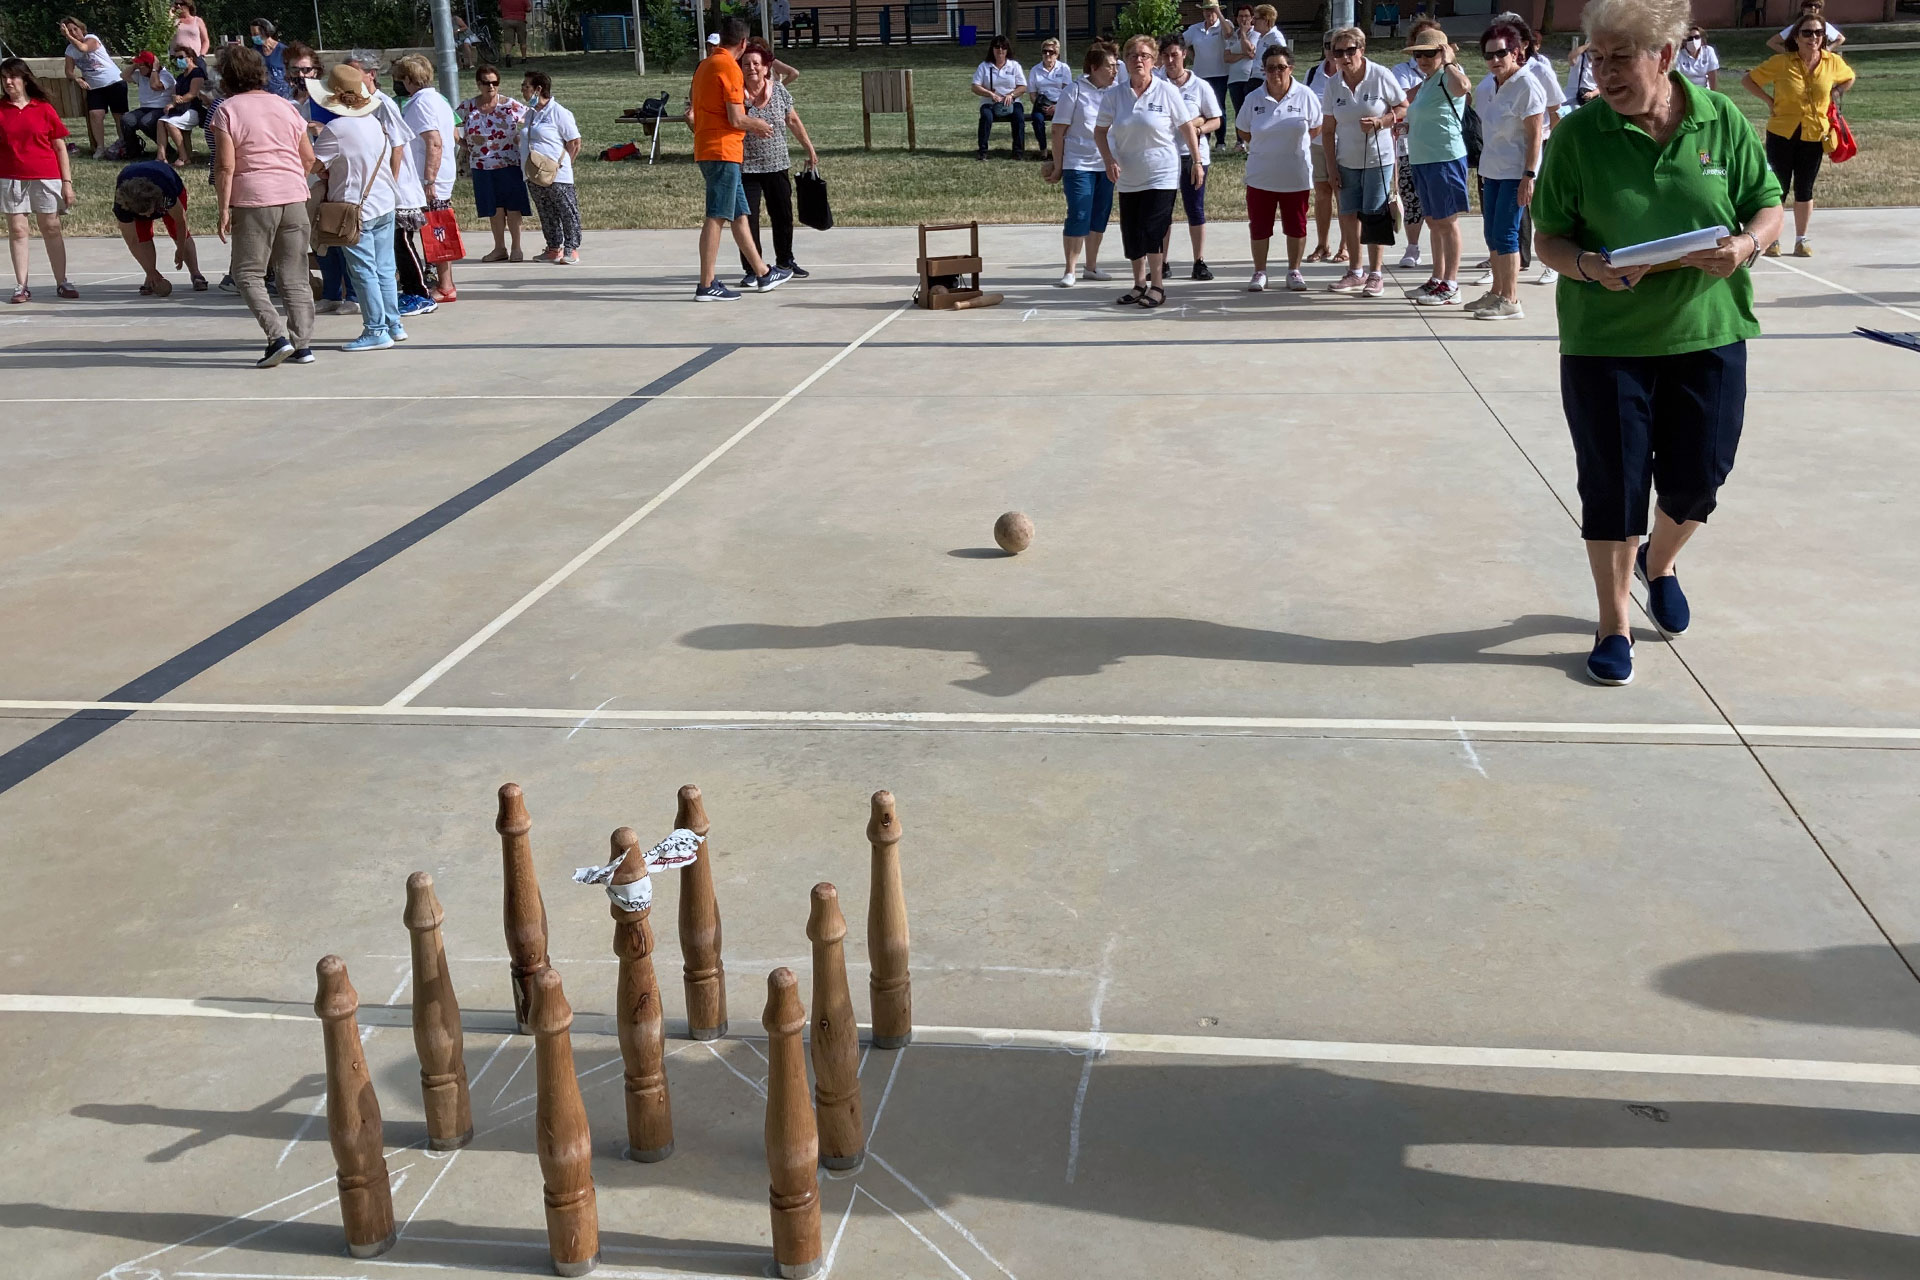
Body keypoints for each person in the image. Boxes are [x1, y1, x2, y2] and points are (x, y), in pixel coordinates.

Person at [1532, 0, 1782, 686]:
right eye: (1596, 58)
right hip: (1605, 339)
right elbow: (1547, 236)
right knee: (1612, 485)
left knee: (1701, 475)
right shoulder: (1580, 136)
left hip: (1709, 331)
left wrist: (1746, 244)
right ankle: (1613, 622)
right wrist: (1588, 267)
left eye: (1621, 58)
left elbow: (1767, 202)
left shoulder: (1718, 118)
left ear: (1666, 57)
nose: (1604, 73)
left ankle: (1660, 562)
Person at [211, 44, 316, 365]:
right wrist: (290, 179)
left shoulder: (226, 110)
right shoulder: (286, 106)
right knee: (295, 274)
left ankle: (276, 336)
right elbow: (308, 158)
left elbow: (226, 166)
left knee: (247, 273)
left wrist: (223, 208)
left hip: (254, 199)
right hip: (294, 196)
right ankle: (302, 345)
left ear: (226, 77)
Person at [1094, 33, 1201, 308]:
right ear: (1125, 61)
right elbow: (1100, 131)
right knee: (1132, 231)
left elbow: (1187, 127)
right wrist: (1108, 160)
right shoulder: (1115, 95)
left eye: (1144, 56)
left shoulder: (1167, 91)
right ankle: (1139, 284)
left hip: (1161, 173)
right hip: (1128, 175)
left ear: (1154, 61)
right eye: (1132, 55)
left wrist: (1197, 161)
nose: (1138, 60)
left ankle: (1157, 286)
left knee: (1154, 229)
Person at [690, 16, 789, 300]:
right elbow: (736, 118)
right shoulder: (730, 70)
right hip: (722, 150)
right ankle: (706, 284)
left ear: (721, 38)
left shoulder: (705, 66)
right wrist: (757, 124)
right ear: (744, 43)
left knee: (739, 214)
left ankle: (762, 272)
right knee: (717, 215)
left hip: (709, 147)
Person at [310, 63, 402, 351]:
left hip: (353, 209)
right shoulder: (374, 123)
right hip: (384, 202)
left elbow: (313, 165)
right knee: (385, 267)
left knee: (363, 271)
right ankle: (393, 323)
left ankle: (376, 329)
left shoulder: (335, 130)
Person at [1744, 17, 1852, 259]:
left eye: (1818, 33)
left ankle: (1801, 240)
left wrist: (1836, 92)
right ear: (1796, 37)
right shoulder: (1781, 62)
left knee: (1805, 187)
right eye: (1807, 33)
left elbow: (1849, 77)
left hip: (1814, 132)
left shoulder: (1832, 62)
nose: (1813, 38)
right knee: (1777, 188)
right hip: (1782, 130)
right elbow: (1748, 80)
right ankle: (1773, 239)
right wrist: (1769, 102)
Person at [1319, 26, 1405, 297]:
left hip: (1379, 160)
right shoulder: (1333, 84)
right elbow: (1328, 130)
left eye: (1350, 50)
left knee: (1374, 214)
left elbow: (1403, 107)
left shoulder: (1380, 75)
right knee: (1347, 214)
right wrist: (1331, 169)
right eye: (1338, 52)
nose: (1344, 57)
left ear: (1362, 50)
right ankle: (1355, 271)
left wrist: (1381, 121)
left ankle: (1376, 274)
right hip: (1346, 160)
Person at [1466, 20, 1543, 320]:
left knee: (1507, 235)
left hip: (1515, 173)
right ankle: (1497, 292)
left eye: (1501, 54)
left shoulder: (1526, 84)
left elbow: (1535, 134)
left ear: (1516, 53)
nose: (1495, 60)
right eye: (1489, 55)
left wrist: (1529, 175)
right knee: (1492, 234)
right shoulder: (1493, 85)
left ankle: (1511, 299)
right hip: (1492, 171)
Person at [1235, 44, 1321, 292]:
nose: (1276, 73)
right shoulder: (1253, 98)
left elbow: (1315, 127)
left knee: (1297, 225)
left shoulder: (1305, 95)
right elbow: (1243, 130)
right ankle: (1259, 272)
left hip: (1296, 175)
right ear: (1264, 70)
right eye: (1270, 68)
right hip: (1261, 176)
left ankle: (1294, 271)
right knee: (1260, 227)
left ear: (1291, 68)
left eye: (1281, 67)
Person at [1400, 27, 1470, 305]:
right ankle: (1438, 279)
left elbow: (1464, 87)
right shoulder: (1428, 81)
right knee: (1433, 221)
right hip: (1422, 158)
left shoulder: (1447, 76)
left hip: (1445, 157)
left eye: (1430, 53)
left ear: (1443, 52)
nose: (1423, 59)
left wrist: (1450, 61)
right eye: (1419, 54)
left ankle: (1452, 283)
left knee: (1447, 222)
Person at [1, 58, 78, 304]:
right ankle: (21, 285)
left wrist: (67, 182)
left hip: (46, 176)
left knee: (51, 228)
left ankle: (62, 281)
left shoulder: (43, 108)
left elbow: (60, 147)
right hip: (10, 178)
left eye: (12, 77)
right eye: (4, 78)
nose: (8, 82)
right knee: (18, 230)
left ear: (24, 79)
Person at [738, 45, 817, 284]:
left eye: (756, 64)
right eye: (746, 64)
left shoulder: (779, 90)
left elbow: (792, 119)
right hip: (745, 166)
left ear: (766, 68)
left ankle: (785, 261)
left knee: (782, 214)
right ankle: (753, 268)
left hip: (777, 163)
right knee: (747, 219)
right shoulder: (735, 93)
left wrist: (809, 148)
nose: (752, 68)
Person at [1044, 41, 1119, 286]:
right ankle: (1070, 270)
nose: (1114, 71)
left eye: (1116, 66)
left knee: (1100, 215)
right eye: (1109, 66)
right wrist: (1058, 166)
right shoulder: (1074, 91)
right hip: (1078, 164)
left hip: (1106, 164)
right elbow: (1057, 131)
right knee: (1079, 213)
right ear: (1094, 67)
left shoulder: (1117, 92)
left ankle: (1092, 267)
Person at [394, 55, 460, 302]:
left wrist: (429, 180)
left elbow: (434, 141)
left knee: (436, 231)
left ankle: (445, 285)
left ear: (410, 79)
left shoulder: (421, 104)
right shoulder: (436, 99)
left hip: (430, 181)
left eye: (401, 79)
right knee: (435, 229)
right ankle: (444, 283)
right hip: (434, 177)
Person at [1157, 33, 1221, 280]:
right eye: (1166, 56)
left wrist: (1198, 128)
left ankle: (1199, 261)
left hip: (1194, 156)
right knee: (1164, 210)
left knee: (1195, 209)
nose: (1171, 60)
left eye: (1175, 54)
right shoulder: (1157, 84)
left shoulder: (1200, 85)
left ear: (1185, 54)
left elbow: (1215, 119)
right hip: (1165, 156)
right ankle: (1161, 261)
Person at [1387, 17, 1444, 272]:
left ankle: (1441, 257)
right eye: (1420, 47)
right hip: (1409, 145)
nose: (1424, 54)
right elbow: (1401, 104)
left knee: (1438, 204)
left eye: (1431, 48)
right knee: (1411, 198)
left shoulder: (1452, 72)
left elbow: (1464, 95)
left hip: (1440, 147)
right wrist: (1430, 82)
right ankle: (1412, 247)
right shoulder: (1400, 71)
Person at [459, 65, 528, 262]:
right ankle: (499, 248)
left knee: (513, 207)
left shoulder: (509, 105)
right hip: (482, 166)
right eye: (486, 83)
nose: (491, 86)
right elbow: (449, 124)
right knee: (494, 209)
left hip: (510, 163)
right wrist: (464, 144)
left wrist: (525, 143)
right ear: (478, 84)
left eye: (494, 82)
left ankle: (516, 247)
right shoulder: (468, 107)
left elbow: (532, 121)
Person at [519, 69, 582, 265]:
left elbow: (574, 142)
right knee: (546, 211)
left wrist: (563, 165)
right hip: (534, 173)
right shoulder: (530, 114)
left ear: (539, 89)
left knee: (566, 210)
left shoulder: (558, 112)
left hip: (557, 174)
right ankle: (553, 248)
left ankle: (571, 249)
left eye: (526, 86)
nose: (522, 90)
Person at [113, 159, 205, 293]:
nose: (148, 216)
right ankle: (151, 277)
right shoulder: (122, 207)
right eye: (143, 214)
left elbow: (181, 222)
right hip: (134, 195)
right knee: (142, 234)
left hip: (165, 180)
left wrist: (180, 249)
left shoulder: (166, 194)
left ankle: (196, 274)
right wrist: (150, 271)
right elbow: (133, 241)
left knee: (173, 228)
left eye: (149, 212)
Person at [1301, 33, 1347, 264]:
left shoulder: (1350, 74)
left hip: (1345, 144)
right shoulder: (1312, 74)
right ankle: (1322, 244)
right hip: (1318, 144)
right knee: (1321, 195)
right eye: (1328, 46)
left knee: (1344, 196)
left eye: (1336, 47)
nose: (1332, 51)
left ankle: (1345, 246)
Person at [61, 17, 126, 160]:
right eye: (69, 30)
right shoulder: (70, 50)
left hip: (114, 81)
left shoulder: (91, 38)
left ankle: (123, 143)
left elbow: (83, 48)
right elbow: (68, 71)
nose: (73, 32)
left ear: (82, 29)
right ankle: (100, 147)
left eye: (75, 29)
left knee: (119, 115)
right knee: (96, 115)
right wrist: (76, 78)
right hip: (94, 86)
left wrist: (68, 36)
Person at [971, 35, 1028, 161]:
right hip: (989, 102)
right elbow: (975, 86)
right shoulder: (984, 66)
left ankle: (1018, 152)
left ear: (1007, 50)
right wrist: (990, 94)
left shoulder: (1014, 66)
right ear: (992, 49)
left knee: (1019, 118)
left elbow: (1023, 86)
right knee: (986, 117)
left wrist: (1011, 95)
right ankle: (982, 151)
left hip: (1012, 102)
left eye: (1003, 47)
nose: (1000, 50)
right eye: (997, 47)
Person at [157, 44, 209, 166]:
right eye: (175, 58)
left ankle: (184, 157)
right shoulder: (180, 76)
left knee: (171, 124)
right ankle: (161, 156)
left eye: (180, 57)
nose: (178, 60)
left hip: (195, 108)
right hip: (182, 108)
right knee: (160, 121)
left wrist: (174, 103)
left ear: (190, 58)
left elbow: (192, 94)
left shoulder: (197, 73)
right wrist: (174, 99)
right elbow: (175, 93)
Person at [1182, 0, 1231, 128]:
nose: (1209, 13)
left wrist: (1219, 13)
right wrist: (1194, 57)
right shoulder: (1195, 29)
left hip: (1220, 74)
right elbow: (1180, 43)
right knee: (1201, 108)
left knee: (1219, 107)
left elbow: (1228, 34)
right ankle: (1204, 135)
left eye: (1212, 9)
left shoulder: (1224, 24)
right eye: (1206, 10)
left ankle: (1221, 142)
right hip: (1200, 75)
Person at [120, 51, 174, 160]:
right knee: (126, 119)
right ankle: (133, 150)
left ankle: (166, 149)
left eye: (141, 66)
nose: (139, 69)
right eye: (138, 66)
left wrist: (154, 68)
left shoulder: (165, 75)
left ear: (150, 66)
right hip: (145, 108)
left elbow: (155, 85)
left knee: (146, 122)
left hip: (161, 108)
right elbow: (123, 75)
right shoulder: (140, 75)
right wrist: (135, 64)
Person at [1028, 39, 1073, 160]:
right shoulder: (1034, 70)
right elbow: (1032, 94)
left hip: (1060, 103)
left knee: (1064, 122)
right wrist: (1041, 105)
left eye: (1051, 52)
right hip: (1041, 104)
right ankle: (1043, 150)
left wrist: (1057, 107)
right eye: (1045, 51)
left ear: (1057, 54)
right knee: (1037, 119)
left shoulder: (1064, 69)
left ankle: (1063, 150)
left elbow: (1068, 92)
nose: (1047, 54)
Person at [1769, 0, 1844, 54]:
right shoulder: (1796, 26)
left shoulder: (1824, 25)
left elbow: (1840, 38)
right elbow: (1772, 42)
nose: (1813, 8)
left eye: (1817, 6)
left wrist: (1829, 49)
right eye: (1809, 5)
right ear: (1803, 8)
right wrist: (1790, 55)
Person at [249, 19, 290, 99]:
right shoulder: (254, 52)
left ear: (265, 32)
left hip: (283, 94)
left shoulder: (283, 50)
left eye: (256, 34)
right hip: (264, 95)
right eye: (252, 34)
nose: (253, 37)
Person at [1675, 24, 1719, 90]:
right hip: (1686, 90)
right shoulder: (1679, 54)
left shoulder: (1709, 51)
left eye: (1697, 37)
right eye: (1690, 38)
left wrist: (1713, 95)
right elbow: (1676, 77)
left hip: (1704, 89)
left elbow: (1712, 75)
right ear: (1684, 41)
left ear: (1701, 39)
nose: (1693, 41)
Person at [499, 0, 531, 66]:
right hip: (520, 20)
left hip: (507, 20)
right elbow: (528, 8)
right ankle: (523, 58)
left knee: (508, 40)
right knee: (522, 40)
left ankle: (508, 55)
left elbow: (499, 8)